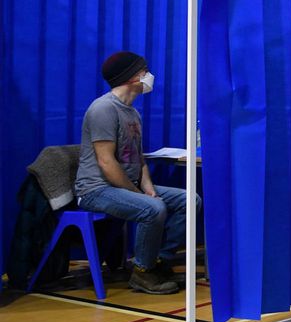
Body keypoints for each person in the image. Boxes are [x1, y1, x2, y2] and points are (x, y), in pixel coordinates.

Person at [75, 51, 200, 295]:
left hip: (125, 184)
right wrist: (139, 194)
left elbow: (137, 158)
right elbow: (106, 162)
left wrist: (149, 187)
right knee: (153, 209)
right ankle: (142, 273)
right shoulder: (103, 109)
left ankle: (157, 261)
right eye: (145, 72)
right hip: (96, 189)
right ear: (133, 77)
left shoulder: (132, 112)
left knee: (190, 200)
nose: (150, 76)